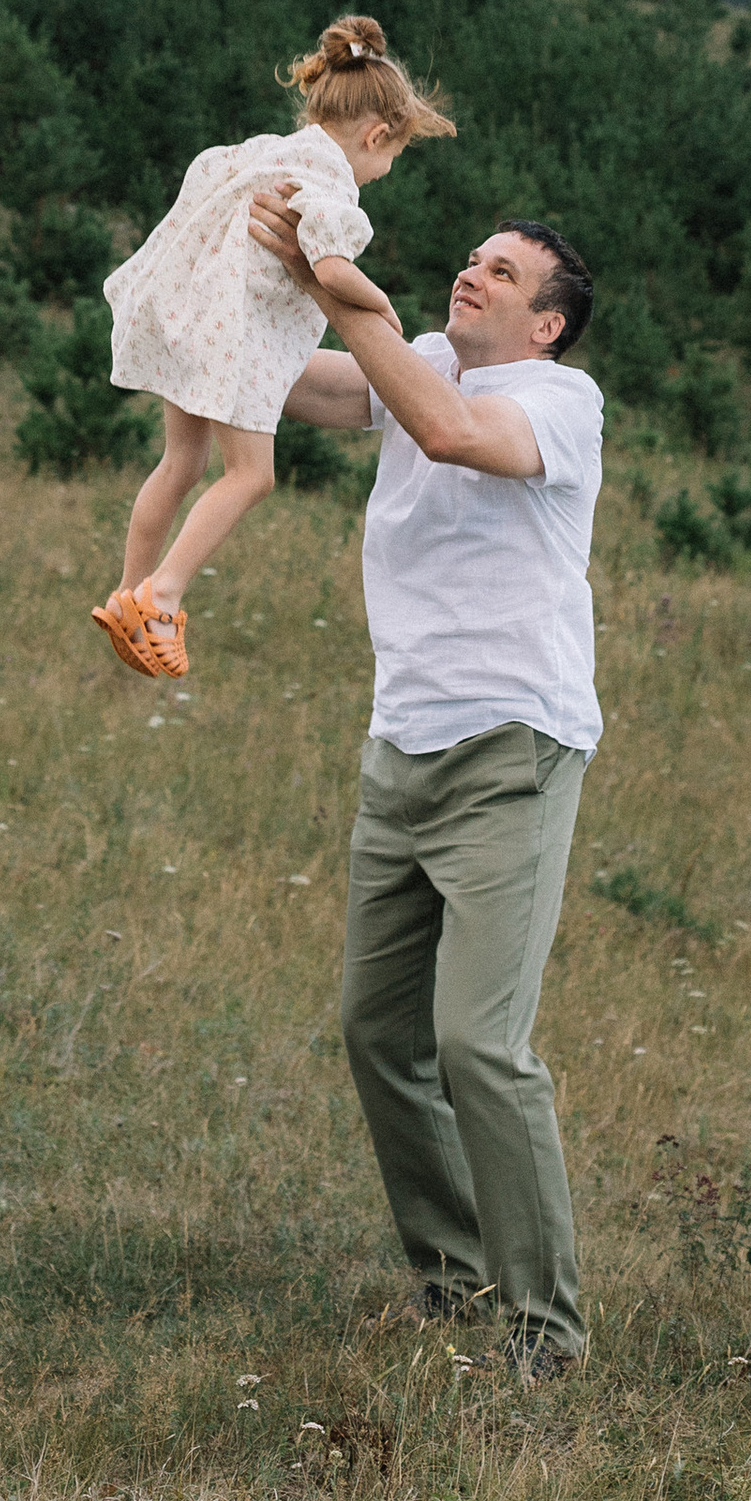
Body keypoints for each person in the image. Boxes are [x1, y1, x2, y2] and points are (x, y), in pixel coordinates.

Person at [254, 195, 602, 1379]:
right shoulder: (417, 372)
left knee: (477, 1042)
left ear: (546, 325)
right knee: (375, 1029)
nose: (473, 275)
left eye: (501, 274)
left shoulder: (558, 404)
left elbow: (451, 432)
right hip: (399, 746)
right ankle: (452, 1286)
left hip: (512, 748)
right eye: (470, 259)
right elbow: (296, 387)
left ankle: (545, 1335)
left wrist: (343, 287)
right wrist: (207, 300)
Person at [92, 15, 456, 680]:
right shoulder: (331, 187)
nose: (382, 173)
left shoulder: (268, 151)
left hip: (192, 321)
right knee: (251, 475)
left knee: (179, 463)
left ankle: (126, 592)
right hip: (240, 344)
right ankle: (162, 597)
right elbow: (333, 269)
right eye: (391, 158)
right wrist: (381, 305)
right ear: (376, 135)